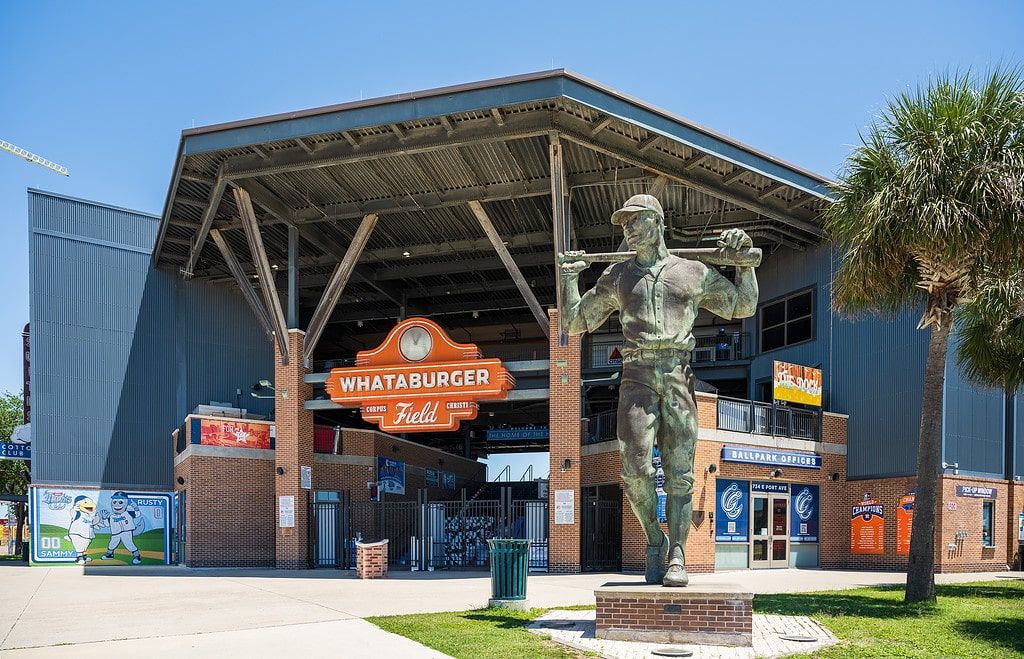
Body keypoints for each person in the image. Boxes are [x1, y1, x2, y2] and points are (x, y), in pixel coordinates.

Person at [559, 194, 758, 587]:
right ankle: (655, 538)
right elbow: (575, 320)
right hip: (635, 375)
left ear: (658, 222)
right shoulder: (617, 276)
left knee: (680, 473)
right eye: (624, 224)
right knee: (635, 470)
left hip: (678, 374)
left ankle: (679, 554)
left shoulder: (693, 272)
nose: (628, 229)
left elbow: (743, 306)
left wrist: (744, 264)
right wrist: (568, 280)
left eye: (635, 221)